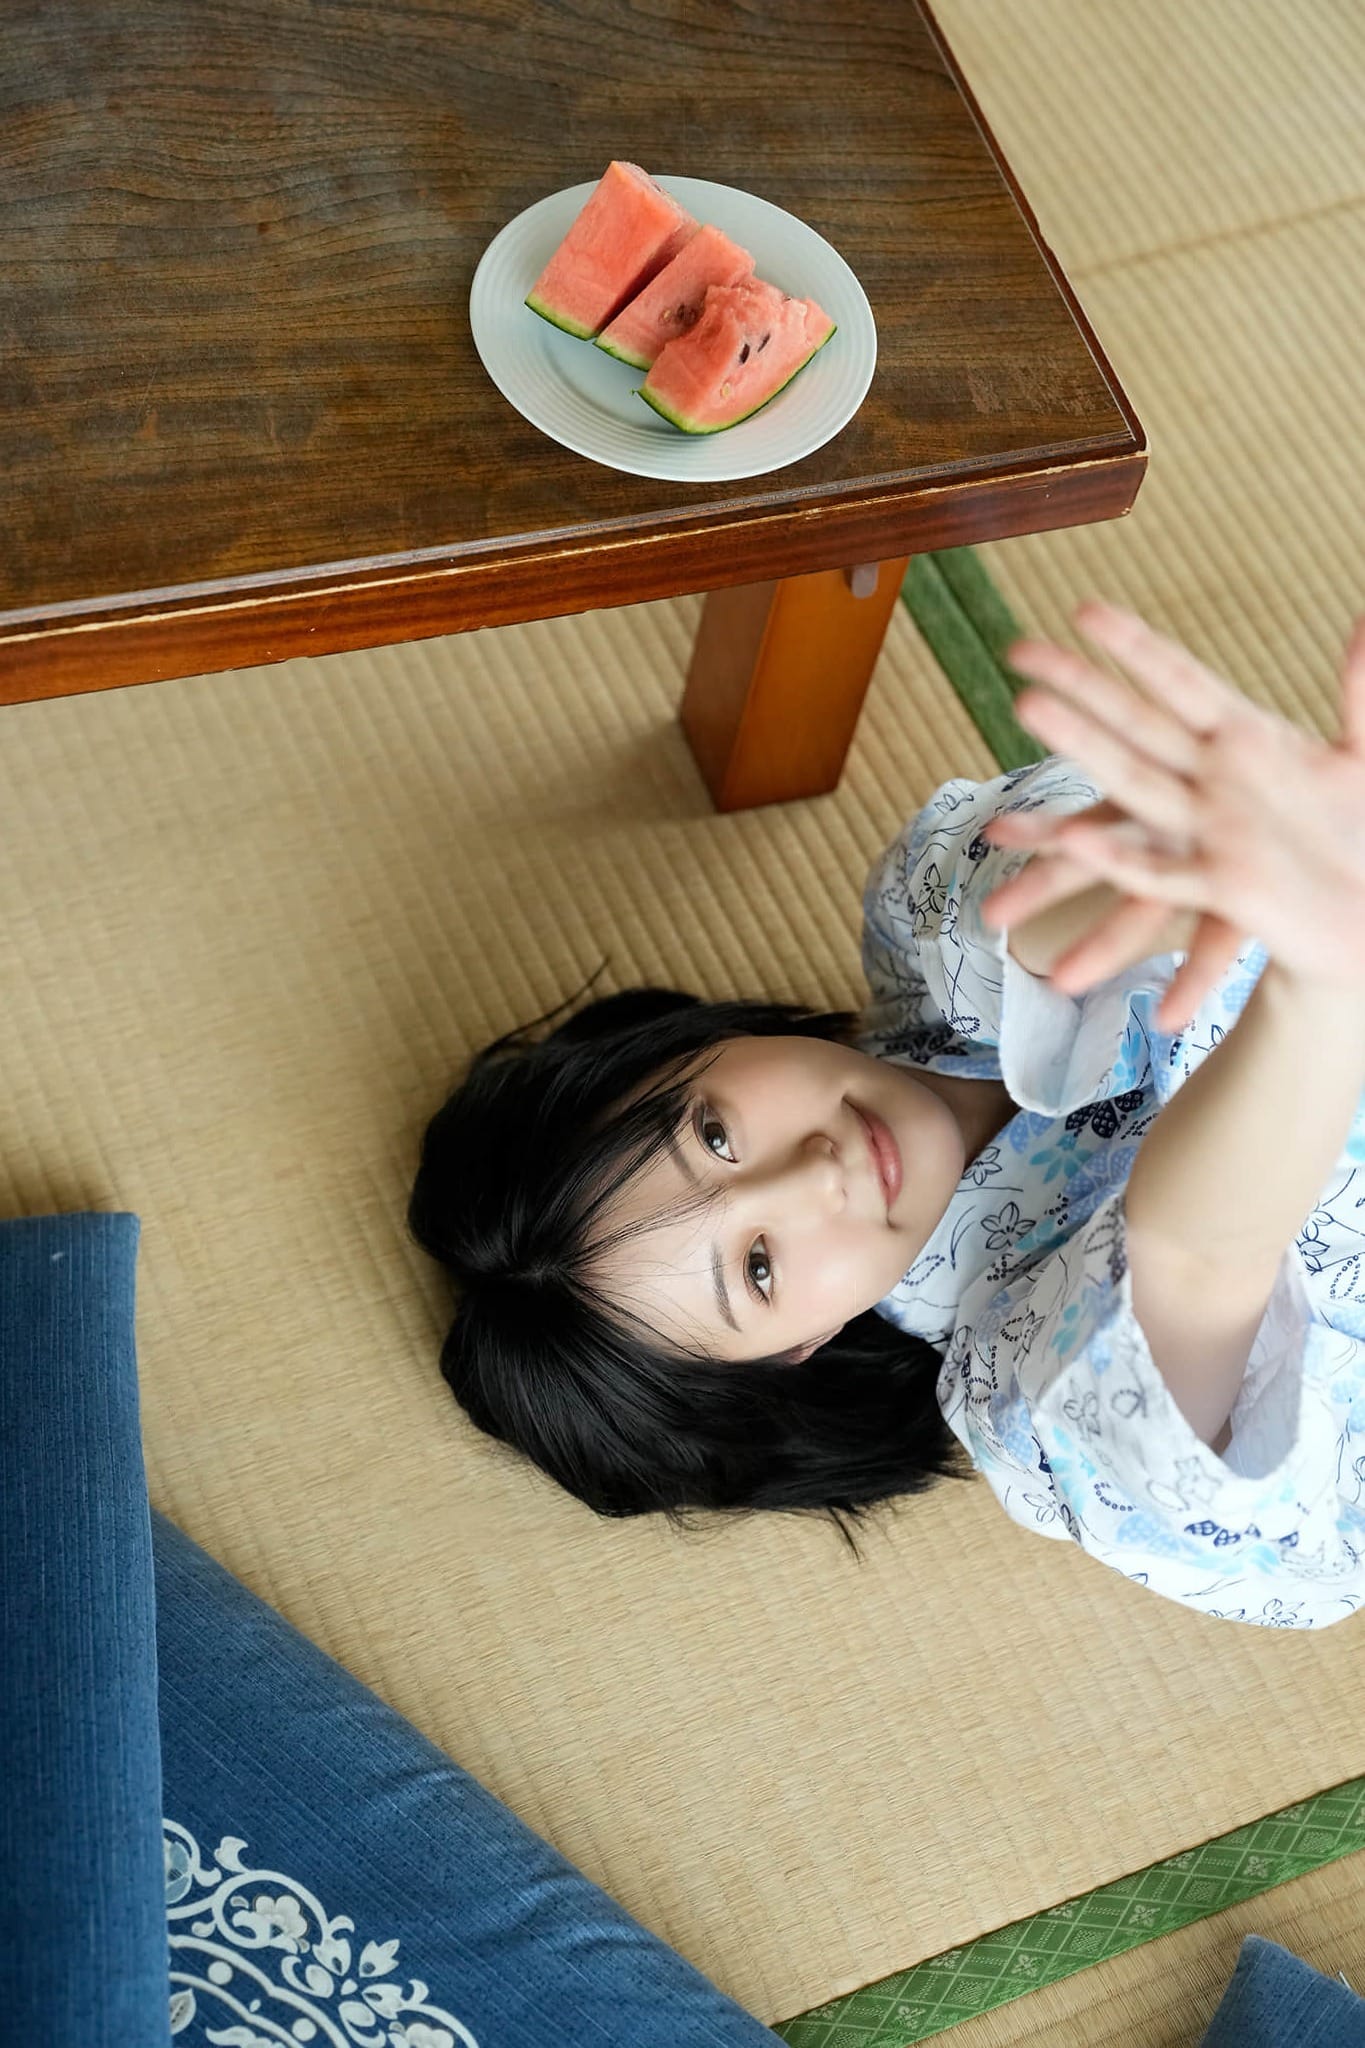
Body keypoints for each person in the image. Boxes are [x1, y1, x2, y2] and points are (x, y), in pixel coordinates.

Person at [410, 603, 1365, 1628]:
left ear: (692, 1046)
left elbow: (1052, 910)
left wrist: (1221, 870)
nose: (814, 1171)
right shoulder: (1023, 1390)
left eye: (714, 1135)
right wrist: (1319, 971)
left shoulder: (924, 923)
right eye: (759, 1267)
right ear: (799, 1348)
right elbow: (1196, 1260)